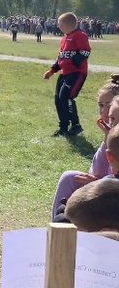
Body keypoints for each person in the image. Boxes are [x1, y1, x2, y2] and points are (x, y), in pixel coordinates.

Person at [50, 75, 119, 219]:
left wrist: (99, 184)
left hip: (113, 197)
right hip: (107, 188)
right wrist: (107, 139)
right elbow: (95, 172)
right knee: (70, 177)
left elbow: (113, 175)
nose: (104, 112)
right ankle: (57, 227)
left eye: (109, 105)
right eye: (101, 105)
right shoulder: (111, 135)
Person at [44, 12, 91, 137]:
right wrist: (52, 70)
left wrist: (74, 61)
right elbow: (61, 58)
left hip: (76, 73)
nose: (58, 26)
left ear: (67, 24)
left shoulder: (80, 35)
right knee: (58, 99)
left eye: (60, 24)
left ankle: (76, 125)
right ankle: (63, 127)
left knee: (66, 96)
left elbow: (85, 51)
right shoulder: (64, 38)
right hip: (64, 73)